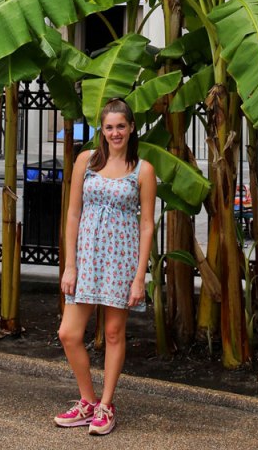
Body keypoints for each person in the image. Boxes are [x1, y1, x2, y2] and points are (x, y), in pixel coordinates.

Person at [55, 98, 156, 437]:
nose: (115, 133)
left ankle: (106, 405)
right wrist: (70, 265)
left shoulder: (142, 170)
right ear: (102, 129)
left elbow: (146, 225)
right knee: (68, 333)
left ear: (131, 129)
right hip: (86, 259)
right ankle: (87, 400)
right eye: (109, 127)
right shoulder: (85, 161)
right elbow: (72, 214)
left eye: (121, 126)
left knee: (113, 333)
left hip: (120, 261)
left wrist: (140, 277)